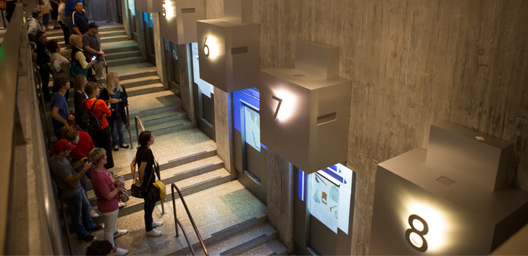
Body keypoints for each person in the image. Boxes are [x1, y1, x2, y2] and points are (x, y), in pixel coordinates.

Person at [48, 139, 102, 241]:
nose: (70, 152)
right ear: (61, 152)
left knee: (86, 207)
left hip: (78, 188)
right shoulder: (58, 165)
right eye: (68, 150)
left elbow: (70, 167)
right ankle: (83, 234)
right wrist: (84, 169)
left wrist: (80, 162)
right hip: (71, 193)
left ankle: (90, 225)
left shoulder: (62, 159)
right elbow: (71, 180)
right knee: (76, 215)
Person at [88, 148, 128, 255]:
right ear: (101, 160)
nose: (107, 157)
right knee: (108, 231)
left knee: (111, 225)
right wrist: (118, 188)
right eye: (105, 156)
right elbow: (108, 196)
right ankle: (112, 250)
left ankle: (115, 232)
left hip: (111, 204)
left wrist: (115, 183)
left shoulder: (99, 168)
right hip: (108, 206)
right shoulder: (98, 177)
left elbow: (109, 181)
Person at [130, 131, 164, 237]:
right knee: (149, 205)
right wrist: (141, 180)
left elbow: (132, 164)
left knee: (150, 203)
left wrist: (135, 178)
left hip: (147, 181)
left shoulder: (140, 149)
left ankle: (151, 222)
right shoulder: (147, 152)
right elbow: (141, 169)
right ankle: (149, 229)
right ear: (148, 140)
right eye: (152, 136)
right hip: (148, 183)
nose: (154, 137)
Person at [62, 125, 100, 218]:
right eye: (73, 142)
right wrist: (80, 162)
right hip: (77, 162)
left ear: (78, 134)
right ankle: (89, 208)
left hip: (89, 158)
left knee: (99, 178)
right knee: (82, 183)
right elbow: (70, 165)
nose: (75, 143)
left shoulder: (85, 136)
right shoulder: (67, 145)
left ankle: (106, 199)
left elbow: (93, 149)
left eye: (76, 140)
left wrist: (93, 161)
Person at [84, 82, 114, 169]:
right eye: (97, 88)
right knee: (106, 148)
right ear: (93, 91)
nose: (99, 89)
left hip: (93, 128)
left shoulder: (85, 102)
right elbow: (108, 113)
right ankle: (107, 165)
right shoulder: (99, 102)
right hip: (103, 126)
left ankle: (99, 165)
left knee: (98, 148)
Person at [99, 72, 129, 151]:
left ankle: (122, 142)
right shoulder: (105, 90)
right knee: (114, 128)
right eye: (116, 77)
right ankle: (115, 143)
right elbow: (100, 101)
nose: (118, 79)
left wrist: (119, 100)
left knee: (120, 127)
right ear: (111, 80)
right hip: (112, 112)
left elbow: (125, 96)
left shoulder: (121, 87)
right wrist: (108, 101)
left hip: (120, 110)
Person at [32, 31, 51, 102]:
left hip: (46, 65)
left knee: (46, 81)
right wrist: (36, 65)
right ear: (39, 38)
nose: (45, 38)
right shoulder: (39, 45)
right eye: (43, 37)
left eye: (45, 36)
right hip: (43, 66)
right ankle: (46, 97)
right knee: (45, 82)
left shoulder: (44, 44)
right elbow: (34, 54)